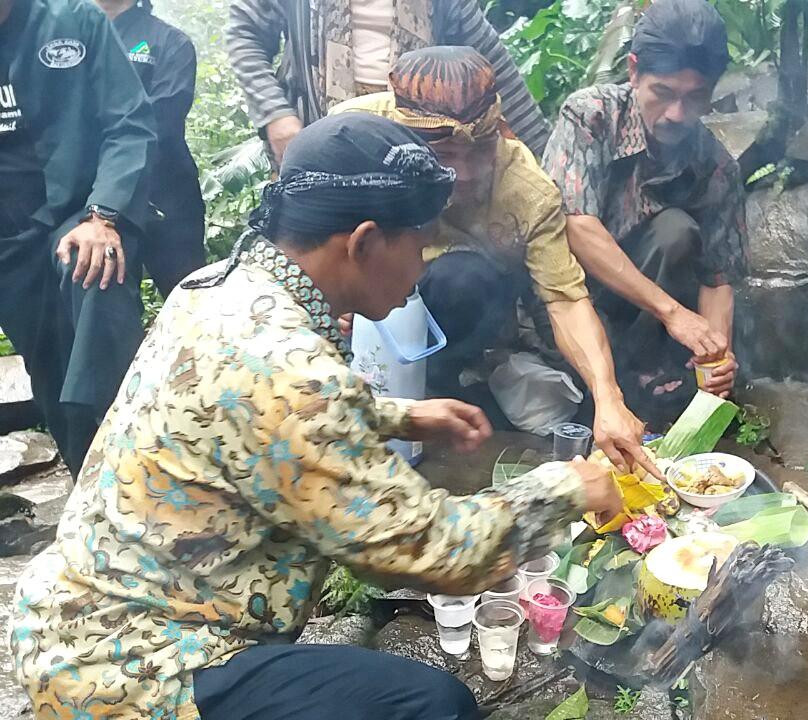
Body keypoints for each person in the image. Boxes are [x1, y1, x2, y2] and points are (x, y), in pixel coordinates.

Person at [9, 113, 623, 720]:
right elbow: (434, 549)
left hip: (75, 622)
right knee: (431, 705)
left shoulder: (217, 286)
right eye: (418, 244)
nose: (423, 267)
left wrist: (397, 416)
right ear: (362, 242)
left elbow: (252, 413)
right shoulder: (295, 378)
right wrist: (567, 486)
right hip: (134, 670)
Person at [332, 46, 661, 476]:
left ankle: (450, 386)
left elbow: (566, 300)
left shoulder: (527, 190)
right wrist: (339, 298)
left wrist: (608, 397)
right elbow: (308, 235)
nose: (465, 173)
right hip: (365, 297)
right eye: (446, 156)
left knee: (464, 279)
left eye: (481, 151)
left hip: (457, 296)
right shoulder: (352, 136)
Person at [542, 0, 745, 414]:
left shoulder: (717, 166)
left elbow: (718, 275)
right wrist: (673, 313)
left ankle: (644, 380)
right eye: (663, 93)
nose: (676, 114)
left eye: (695, 98)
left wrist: (716, 355)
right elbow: (574, 224)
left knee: (677, 230)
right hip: (570, 301)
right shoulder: (591, 116)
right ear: (634, 71)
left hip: (644, 327)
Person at [0, 0, 155, 478]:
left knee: (94, 279)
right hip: (10, 235)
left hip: (80, 212)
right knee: (47, 369)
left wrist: (102, 213)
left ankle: (134, 450)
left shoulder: (74, 21)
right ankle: (88, 485)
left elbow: (128, 123)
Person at [227, 0, 551, 167]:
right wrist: (276, 116)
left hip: (418, 142)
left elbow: (494, 68)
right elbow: (246, 33)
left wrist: (547, 160)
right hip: (321, 135)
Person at [97, 0, 206, 296]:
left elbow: (162, 123)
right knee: (107, 299)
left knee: (187, 296)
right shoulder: (69, 42)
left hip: (169, 196)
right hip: (96, 204)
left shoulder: (171, 42)